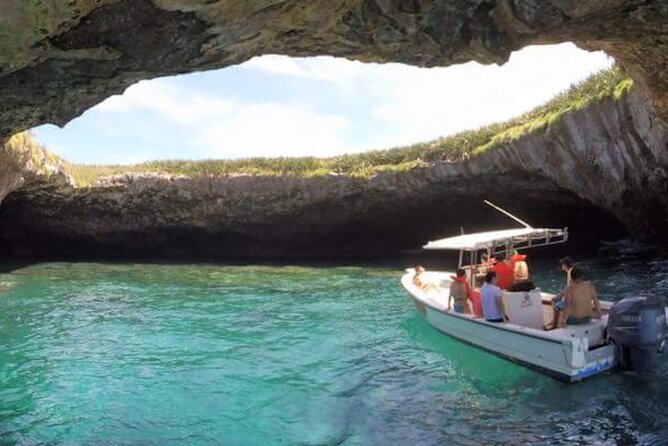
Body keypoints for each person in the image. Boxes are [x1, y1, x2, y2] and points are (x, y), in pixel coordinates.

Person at [549, 256, 576, 328]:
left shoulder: (571, 272)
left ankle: (554, 325)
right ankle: (554, 321)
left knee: (556, 306)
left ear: (565, 265)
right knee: (554, 299)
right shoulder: (572, 271)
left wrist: (561, 294)